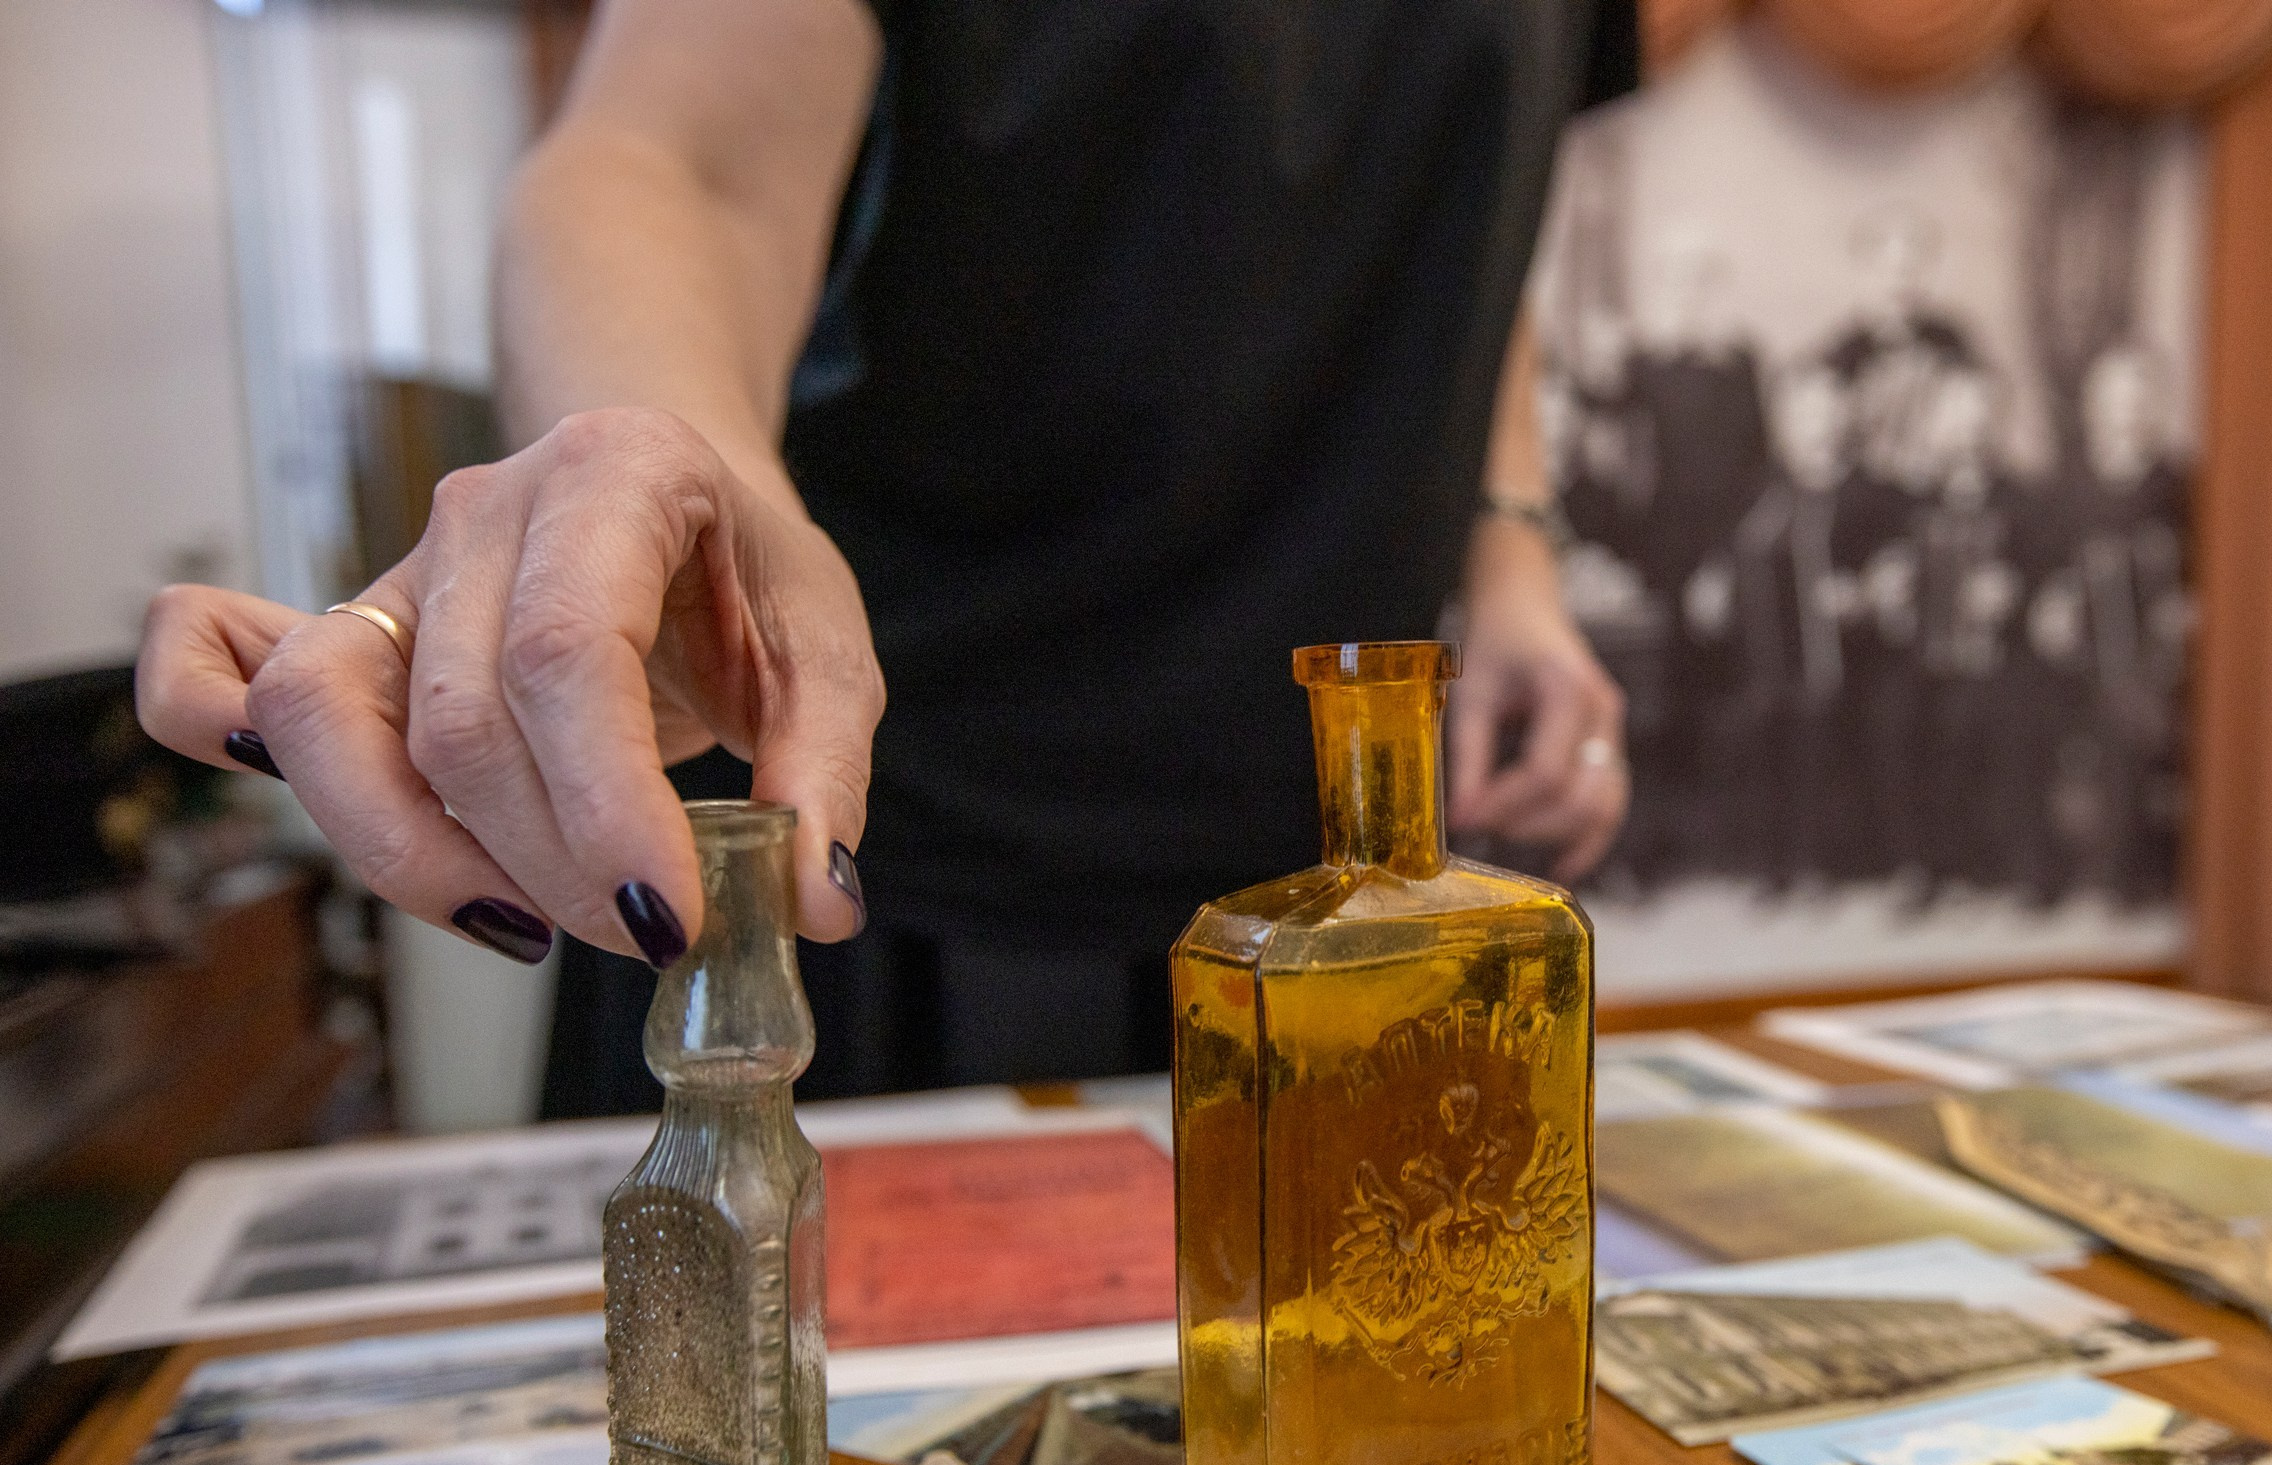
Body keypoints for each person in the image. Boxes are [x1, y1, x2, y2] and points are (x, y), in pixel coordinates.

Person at [134, 0, 1639, 1107]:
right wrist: (668, 475)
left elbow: (1465, 206)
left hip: (1310, 889)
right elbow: (670, 165)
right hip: (873, 862)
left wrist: (1506, 552)